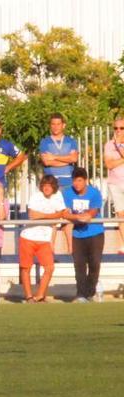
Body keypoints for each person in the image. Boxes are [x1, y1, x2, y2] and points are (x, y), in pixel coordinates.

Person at [17, 175, 65, 303]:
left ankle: (40, 295)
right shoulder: (35, 196)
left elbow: (62, 214)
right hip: (28, 237)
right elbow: (32, 215)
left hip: (45, 239)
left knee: (49, 268)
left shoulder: (58, 196)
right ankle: (28, 296)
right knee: (26, 268)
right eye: (44, 185)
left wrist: (44, 217)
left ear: (53, 187)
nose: (46, 188)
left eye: (49, 185)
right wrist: (52, 216)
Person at [62, 167, 104, 302]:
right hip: (77, 234)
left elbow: (94, 211)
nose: (77, 184)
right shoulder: (67, 193)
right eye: (75, 181)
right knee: (79, 265)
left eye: (80, 180)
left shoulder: (94, 192)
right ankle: (80, 294)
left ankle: (90, 291)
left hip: (95, 233)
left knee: (94, 264)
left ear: (85, 181)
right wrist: (76, 217)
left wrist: (87, 215)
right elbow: (65, 212)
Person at [40, 113, 80, 252]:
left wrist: (55, 158)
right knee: (52, 216)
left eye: (58, 124)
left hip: (68, 182)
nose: (55, 126)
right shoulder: (45, 142)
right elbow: (46, 161)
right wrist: (65, 159)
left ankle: (71, 250)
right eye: (53, 124)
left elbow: (74, 159)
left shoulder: (71, 141)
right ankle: (50, 249)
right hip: (52, 184)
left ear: (63, 125)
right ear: (50, 125)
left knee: (68, 216)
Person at [102, 117, 124, 254]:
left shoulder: (115, 145)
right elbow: (109, 164)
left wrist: (119, 146)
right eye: (115, 128)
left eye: (122, 128)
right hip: (115, 182)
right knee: (121, 213)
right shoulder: (109, 145)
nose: (118, 131)